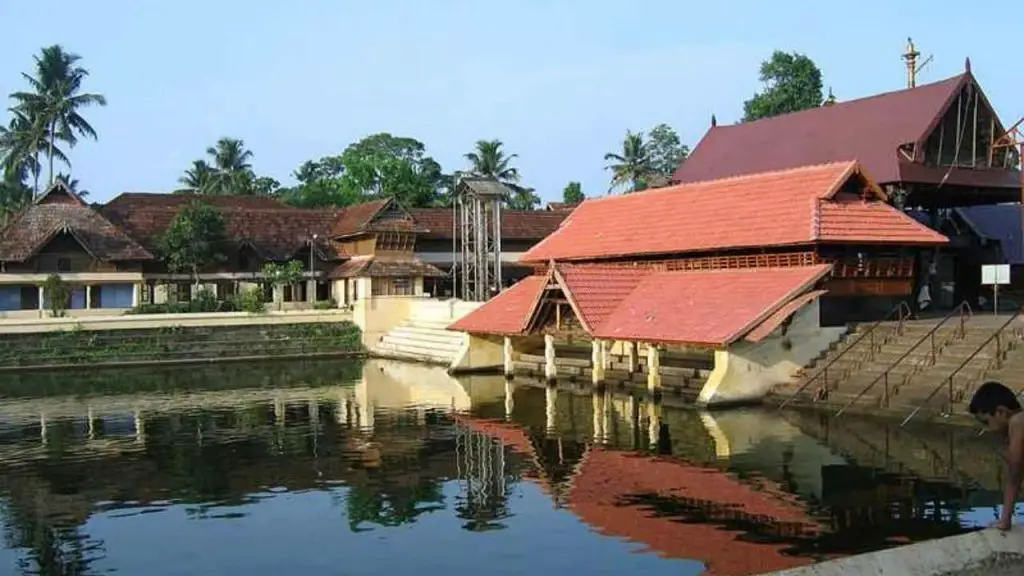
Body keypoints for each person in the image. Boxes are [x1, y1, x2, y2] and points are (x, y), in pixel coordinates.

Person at [969, 381, 1024, 531]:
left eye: (986, 422)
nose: (987, 428)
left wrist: (998, 442)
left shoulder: (1018, 421)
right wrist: (1005, 520)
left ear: (1001, 411)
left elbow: (1015, 471)